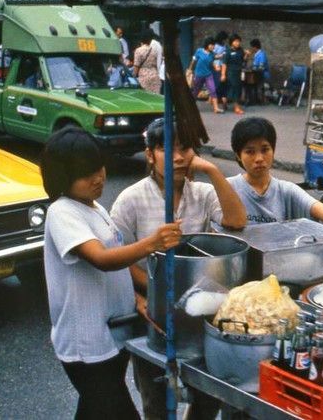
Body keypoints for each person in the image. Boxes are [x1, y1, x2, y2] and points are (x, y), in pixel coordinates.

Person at [40, 127, 183, 420]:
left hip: (113, 334)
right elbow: (102, 259)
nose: (98, 178)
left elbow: (112, 273)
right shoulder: (62, 212)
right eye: (86, 174)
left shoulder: (94, 208)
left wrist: (137, 299)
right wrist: (152, 243)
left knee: (95, 410)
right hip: (87, 345)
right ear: (62, 178)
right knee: (117, 412)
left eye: (99, 168)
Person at [110, 118, 247, 420]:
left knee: (206, 397)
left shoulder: (202, 193)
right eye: (166, 149)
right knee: (155, 398)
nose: (178, 157)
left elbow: (237, 220)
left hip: (200, 311)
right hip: (153, 312)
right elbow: (117, 257)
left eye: (185, 148)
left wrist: (211, 169)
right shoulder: (130, 200)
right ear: (150, 155)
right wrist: (146, 293)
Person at [187, 37, 222, 113]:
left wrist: (217, 65)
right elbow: (193, 61)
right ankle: (191, 106)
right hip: (199, 75)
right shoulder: (199, 51)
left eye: (213, 45)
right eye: (211, 45)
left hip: (208, 75)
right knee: (196, 92)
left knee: (213, 90)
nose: (212, 46)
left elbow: (213, 61)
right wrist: (190, 69)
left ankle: (216, 108)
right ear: (207, 45)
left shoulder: (212, 54)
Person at [221, 33, 245, 115]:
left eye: (239, 41)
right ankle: (236, 108)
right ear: (231, 42)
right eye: (236, 41)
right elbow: (224, 64)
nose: (238, 43)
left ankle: (225, 100)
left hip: (238, 72)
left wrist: (247, 55)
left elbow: (243, 60)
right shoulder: (227, 52)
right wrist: (223, 74)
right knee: (234, 88)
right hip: (230, 72)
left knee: (235, 88)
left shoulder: (240, 50)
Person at [250, 38, 270, 105]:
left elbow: (261, 67)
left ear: (255, 47)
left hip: (262, 75)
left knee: (260, 87)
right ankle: (256, 99)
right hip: (258, 74)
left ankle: (261, 100)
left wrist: (253, 68)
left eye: (252, 47)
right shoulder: (258, 54)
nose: (252, 49)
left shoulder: (261, 55)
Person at [213, 31, 229, 111]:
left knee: (221, 83)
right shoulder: (215, 46)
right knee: (218, 83)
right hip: (217, 67)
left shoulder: (224, 46)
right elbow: (213, 56)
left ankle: (222, 99)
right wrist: (220, 57)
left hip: (223, 66)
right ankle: (221, 99)